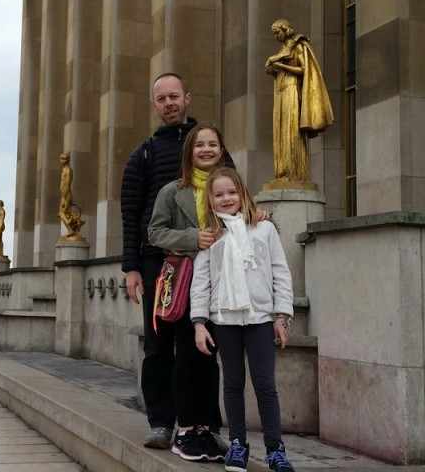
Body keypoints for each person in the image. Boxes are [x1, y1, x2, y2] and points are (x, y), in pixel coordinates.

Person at [119, 72, 232, 451]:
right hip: (159, 263)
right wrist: (131, 267)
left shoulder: (211, 145)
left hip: (207, 261)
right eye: (161, 98)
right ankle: (162, 422)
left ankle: (205, 423)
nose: (168, 103)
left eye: (174, 97)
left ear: (188, 98)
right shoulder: (144, 153)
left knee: (202, 344)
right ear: (154, 104)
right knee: (158, 345)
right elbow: (132, 212)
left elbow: (233, 193)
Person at [190, 167, 295, 472]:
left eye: (232, 192)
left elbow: (280, 273)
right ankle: (238, 443)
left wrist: (281, 316)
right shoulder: (210, 237)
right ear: (210, 200)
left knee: (265, 383)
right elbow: (201, 282)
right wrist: (199, 322)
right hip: (224, 321)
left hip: (260, 319)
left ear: (243, 194)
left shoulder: (264, 230)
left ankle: (275, 449)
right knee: (233, 382)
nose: (226, 199)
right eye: (219, 194)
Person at [147, 122, 229, 462]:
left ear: (221, 151)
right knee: (187, 356)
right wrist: (192, 238)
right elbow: (155, 233)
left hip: (222, 283)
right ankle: (185, 428)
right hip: (185, 282)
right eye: (199, 145)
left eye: (212, 144)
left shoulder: (229, 188)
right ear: (189, 152)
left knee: (211, 358)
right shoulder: (172, 190)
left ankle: (209, 429)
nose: (206, 149)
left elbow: (248, 220)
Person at [264, 18, 333, 184]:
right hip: (280, 92)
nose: (275, 36)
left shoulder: (298, 46)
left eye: (277, 32)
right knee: (281, 130)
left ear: (285, 29)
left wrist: (281, 66)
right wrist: (272, 68)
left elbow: (304, 69)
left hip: (292, 90)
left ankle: (294, 172)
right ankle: (282, 172)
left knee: (291, 130)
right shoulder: (283, 49)